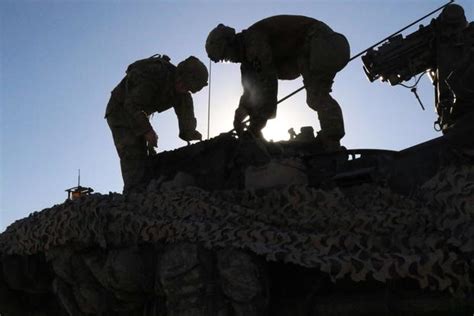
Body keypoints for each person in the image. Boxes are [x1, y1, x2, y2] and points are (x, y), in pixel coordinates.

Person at [206, 15, 350, 151]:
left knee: (317, 97)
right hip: (317, 48)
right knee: (317, 96)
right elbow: (250, 92)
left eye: (225, 54)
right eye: (224, 59)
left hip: (319, 42)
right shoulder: (247, 63)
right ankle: (331, 140)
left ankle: (332, 141)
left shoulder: (253, 40)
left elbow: (268, 82)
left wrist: (256, 126)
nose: (228, 59)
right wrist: (241, 112)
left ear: (230, 42)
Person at [105, 54, 208, 193]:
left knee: (147, 157)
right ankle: (133, 194)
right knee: (132, 153)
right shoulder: (155, 74)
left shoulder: (183, 94)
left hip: (139, 113)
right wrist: (147, 131)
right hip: (120, 110)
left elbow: (186, 117)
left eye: (188, 88)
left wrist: (190, 133)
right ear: (179, 73)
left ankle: (144, 190)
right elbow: (132, 105)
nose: (183, 88)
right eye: (182, 82)